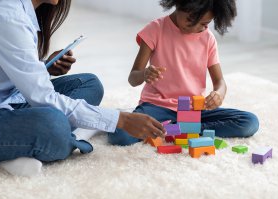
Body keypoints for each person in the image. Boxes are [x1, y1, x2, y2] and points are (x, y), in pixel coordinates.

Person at [0, 0, 166, 176]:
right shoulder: (8, 17)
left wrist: (44, 66)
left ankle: (16, 148)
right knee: (52, 124)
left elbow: (8, 69)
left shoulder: (21, 11)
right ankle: (63, 138)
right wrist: (121, 120)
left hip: (11, 101)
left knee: (89, 84)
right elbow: (42, 97)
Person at [108, 0, 259, 146]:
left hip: (195, 110)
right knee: (119, 134)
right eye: (191, 20)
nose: (195, 28)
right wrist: (144, 74)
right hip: (158, 107)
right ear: (179, 4)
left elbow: (220, 82)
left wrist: (219, 94)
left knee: (249, 122)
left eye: (204, 24)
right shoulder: (155, 29)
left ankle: (177, 129)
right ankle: (178, 128)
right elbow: (133, 78)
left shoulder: (208, 39)